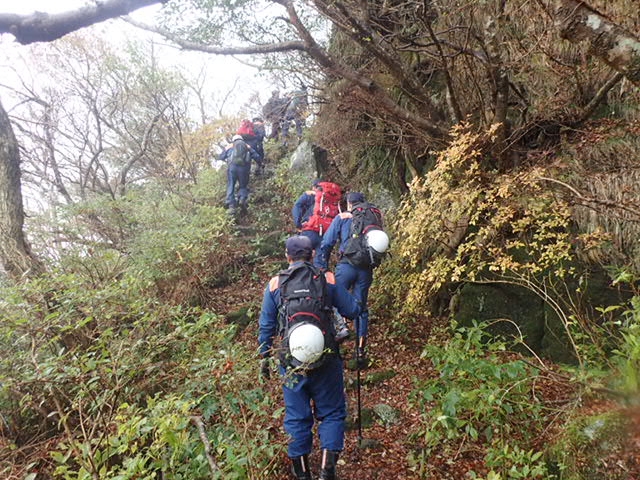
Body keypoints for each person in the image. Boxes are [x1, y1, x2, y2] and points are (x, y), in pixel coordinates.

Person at [258, 236, 361, 480]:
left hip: (291, 362)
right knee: (332, 413)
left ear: (287, 256)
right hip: (326, 358)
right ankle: (327, 471)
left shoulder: (275, 284)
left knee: (297, 417)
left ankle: (303, 474)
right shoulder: (327, 279)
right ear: (313, 254)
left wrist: (264, 356)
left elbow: (266, 325)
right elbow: (353, 309)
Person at [314, 192, 377, 368]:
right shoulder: (371, 219)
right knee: (361, 308)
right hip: (365, 269)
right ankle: (360, 350)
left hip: (346, 266)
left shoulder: (342, 218)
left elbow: (327, 242)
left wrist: (323, 266)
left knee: (331, 299)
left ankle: (340, 332)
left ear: (349, 204)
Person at [219, 134, 260, 215]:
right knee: (243, 186)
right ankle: (242, 199)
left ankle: (231, 206)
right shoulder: (246, 146)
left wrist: (226, 154)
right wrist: (260, 164)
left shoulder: (230, 146)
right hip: (244, 169)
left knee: (231, 185)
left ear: (233, 140)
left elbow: (221, 157)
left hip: (232, 168)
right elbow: (257, 156)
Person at [292, 180, 322, 248]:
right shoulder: (329, 199)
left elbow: (297, 206)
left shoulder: (309, 195)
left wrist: (298, 224)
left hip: (309, 230)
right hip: (324, 233)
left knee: (301, 252)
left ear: (314, 187)